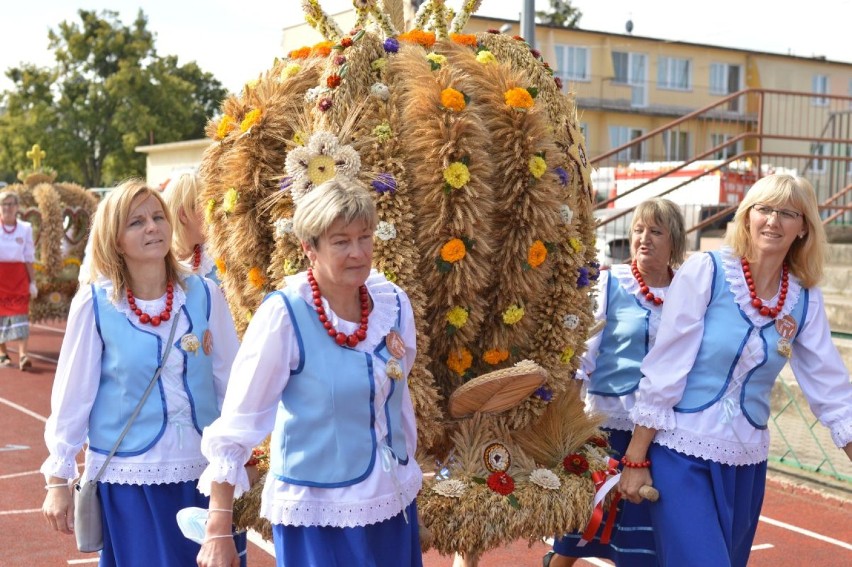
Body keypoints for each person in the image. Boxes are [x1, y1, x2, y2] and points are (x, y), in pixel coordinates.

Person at [619, 174, 852, 566]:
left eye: (786, 213)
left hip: (747, 464)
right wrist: (636, 459)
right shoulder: (707, 272)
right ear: (747, 217)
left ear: (803, 229)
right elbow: (665, 369)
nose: (773, 221)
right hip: (682, 452)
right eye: (763, 209)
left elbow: (831, 389)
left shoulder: (804, 297)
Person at [196, 177, 423, 567]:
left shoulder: (393, 305)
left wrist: (407, 470)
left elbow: (398, 403)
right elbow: (238, 423)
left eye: (364, 237)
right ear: (309, 248)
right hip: (317, 514)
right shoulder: (284, 315)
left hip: (391, 502)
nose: (357, 252)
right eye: (340, 241)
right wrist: (218, 529)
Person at [40, 179, 245, 566]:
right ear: (115, 240)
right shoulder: (96, 304)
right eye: (136, 222)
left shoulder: (204, 294)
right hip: (130, 481)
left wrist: (238, 460)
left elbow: (230, 385)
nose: (152, 227)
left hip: (205, 475)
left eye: (157, 217)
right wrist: (57, 478)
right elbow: (73, 396)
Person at [546, 198, 686, 567]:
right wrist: (570, 426)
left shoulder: (688, 291)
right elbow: (582, 358)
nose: (644, 239)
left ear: (675, 241)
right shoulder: (611, 283)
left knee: (638, 535)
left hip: (660, 430)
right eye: (638, 230)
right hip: (606, 423)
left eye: (656, 231)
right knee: (577, 533)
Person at [0, 190, 38, 371]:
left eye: (11, 204)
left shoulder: (25, 228)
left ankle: (23, 355)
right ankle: (3, 353)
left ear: (17, 207)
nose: (7, 208)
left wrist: (33, 282)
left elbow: (29, 256)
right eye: (4, 204)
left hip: (18, 278)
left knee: (21, 314)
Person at [163, 171, 220, 284]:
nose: (213, 212)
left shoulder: (214, 261)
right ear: (184, 214)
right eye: (207, 205)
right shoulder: (156, 262)